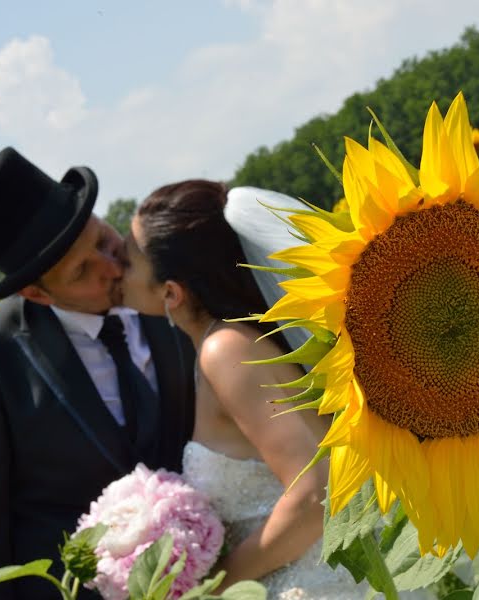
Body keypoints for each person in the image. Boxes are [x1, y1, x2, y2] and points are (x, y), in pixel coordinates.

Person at [0, 148, 195, 599]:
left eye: (104, 241)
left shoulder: (176, 284)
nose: (114, 267)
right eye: (83, 271)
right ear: (37, 294)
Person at [118, 179, 366, 598]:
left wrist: (213, 588)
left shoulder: (226, 350)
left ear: (171, 293)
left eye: (127, 261)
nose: (115, 269)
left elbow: (314, 494)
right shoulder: (228, 343)